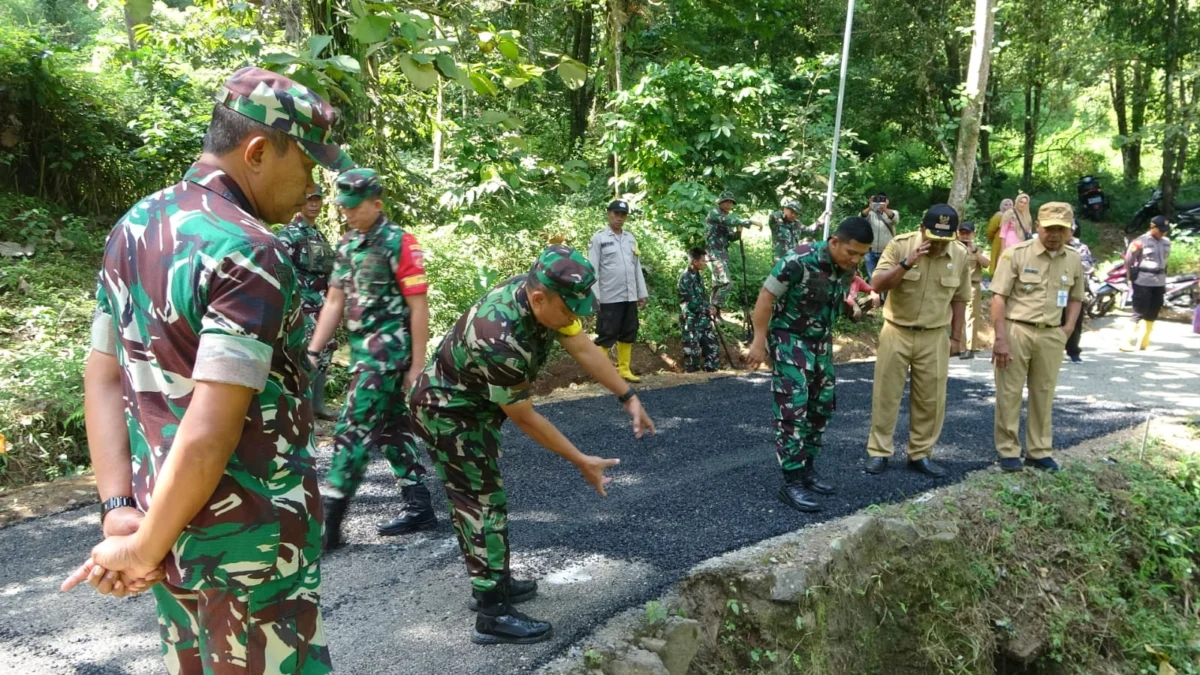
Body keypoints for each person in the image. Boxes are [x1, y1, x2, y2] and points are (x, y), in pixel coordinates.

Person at [63, 66, 350, 673]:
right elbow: (209, 430)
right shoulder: (250, 249)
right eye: (307, 164)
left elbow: (105, 375)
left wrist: (124, 513)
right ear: (257, 150)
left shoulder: (133, 229)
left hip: (167, 533)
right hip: (250, 550)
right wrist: (139, 545)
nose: (310, 186)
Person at [408, 245, 655, 645]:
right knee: (481, 503)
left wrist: (627, 395)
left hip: (474, 408)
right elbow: (526, 417)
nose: (575, 317)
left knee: (482, 500)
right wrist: (581, 460)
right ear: (539, 298)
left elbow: (582, 347)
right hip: (448, 414)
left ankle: (494, 581)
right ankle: (492, 613)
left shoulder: (539, 296)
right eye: (570, 309)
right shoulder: (500, 338)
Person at [306, 168, 435, 549]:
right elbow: (333, 301)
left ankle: (330, 523)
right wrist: (314, 350)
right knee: (392, 428)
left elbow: (418, 306)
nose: (348, 213)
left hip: (387, 356)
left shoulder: (400, 243)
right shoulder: (348, 245)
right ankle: (419, 505)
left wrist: (416, 364)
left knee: (352, 431)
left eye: (355, 207)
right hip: (364, 354)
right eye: (343, 207)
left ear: (376, 204)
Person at [746, 218, 873, 511]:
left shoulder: (847, 266)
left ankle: (807, 469)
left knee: (822, 404)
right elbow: (766, 297)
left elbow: (837, 297)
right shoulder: (798, 260)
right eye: (851, 252)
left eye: (861, 255)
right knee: (794, 404)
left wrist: (856, 306)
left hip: (820, 342)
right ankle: (790, 481)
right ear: (834, 243)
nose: (855, 259)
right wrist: (758, 341)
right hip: (790, 337)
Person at [864, 205, 971, 478]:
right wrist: (906, 263)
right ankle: (879, 451)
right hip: (896, 331)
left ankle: (920, 453)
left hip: (935, 335)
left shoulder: (959, 254)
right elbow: (877, 284)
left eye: (943, 240)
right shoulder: (899, 246)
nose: (936, 245)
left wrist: (957, 337)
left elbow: (960, 299)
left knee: (931, 399)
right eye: (933, 237)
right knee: (886, 395)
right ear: (922, 227)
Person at [991, 203, 1085, 472]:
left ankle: (1039, 450)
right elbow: (998, 297)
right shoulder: (1016, 254)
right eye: (1049, 228)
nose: (1054, 234)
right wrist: (1000, 338)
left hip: (1051, 334)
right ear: (1038, 227)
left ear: (1068, 231)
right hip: (1016, 329)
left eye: (1060, 229)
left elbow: (1077, 297)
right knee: (1009, 392)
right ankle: (1008, 450)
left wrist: (1066, 330)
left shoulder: (1073, 258)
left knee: (1043, 393)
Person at [278, 184, 339, 420]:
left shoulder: (318, 235)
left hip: (322, 307)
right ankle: (299, 410)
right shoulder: (289, 234)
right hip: (302, 307)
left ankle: (318, 406)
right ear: (299, 201)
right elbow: (282, 272)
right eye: (308, 199)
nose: (313, 204)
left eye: (317, 199)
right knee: (305, 356)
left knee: (324, 354)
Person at [588, 199, 649, 382]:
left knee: (629, 331)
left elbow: (636, 267)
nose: (619, 218)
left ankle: (624, 370)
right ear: (609, 214)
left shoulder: (630, 238)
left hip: (629, 295)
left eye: (623, 215)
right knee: (607, 333)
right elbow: (593, 269)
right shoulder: (599, 238)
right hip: (609, 296)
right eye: (616, 214)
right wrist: (595, 296)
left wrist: (641, 292)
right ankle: (600, 373)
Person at [1120, 215, 1172, 352]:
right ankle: (1126, 342)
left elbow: (1165, 262)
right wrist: (1130, 278)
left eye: (1165, 230)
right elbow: (1129, 261)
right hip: (1143, 280)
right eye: (1160, 229)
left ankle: (1143, 342)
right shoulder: (1140, 242)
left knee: (1153, 311)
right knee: (1138, 311)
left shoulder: (1166, 242)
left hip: (1159, 281)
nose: (1163, 232)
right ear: (1152, 227)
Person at [705, 192, 750, 317]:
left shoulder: (727, 217)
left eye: (731, 202)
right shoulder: (715, 213)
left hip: (722, 253)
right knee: (726, 283)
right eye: (726, 201)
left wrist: (739, 232)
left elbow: (730, 237)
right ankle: (713, 308)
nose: (729, 204)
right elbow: (728, 220)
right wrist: (745, 221)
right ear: (720, 202)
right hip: (714, 252)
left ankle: (714, 314)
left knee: (717, 284)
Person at [678, 247, 721, 372]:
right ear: (695, 261)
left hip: (703, 319)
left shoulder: (697, 276)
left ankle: (712, 374)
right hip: (691, 321)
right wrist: (708, 309)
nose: (705, 263)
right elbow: (692, 303)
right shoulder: (685, 278)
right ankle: (693, 381)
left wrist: (710, 307)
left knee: (712, 347)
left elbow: (701, 298)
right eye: (703, 260)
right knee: (692, 354)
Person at [956, 220, 990, 359]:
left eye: (967, 233)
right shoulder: (953, 247)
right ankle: (957, 346)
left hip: (972, 285)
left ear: (973, 234)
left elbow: (987, 264)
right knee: (955, 316)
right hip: (956, 285)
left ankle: (970, 348)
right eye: (962, 232)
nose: (965, 235)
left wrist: (974, 250)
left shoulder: (978, 248)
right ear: (957, 233)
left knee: (971, 317)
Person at [1063, 221, 1094, 363]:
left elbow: (1087, 266)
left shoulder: (1080, 247)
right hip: (1052, 289)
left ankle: (1073, 351)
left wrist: (1071, 262)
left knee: (1074, 321)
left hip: (1074, 288)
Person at [861, 192, 900, 283]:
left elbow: (895, 220)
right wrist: (870, 207)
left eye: (883, 200)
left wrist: (885, 209)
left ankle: (885, 297)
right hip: (870, 251)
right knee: (872, 278)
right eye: (877, 200)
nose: (880, 202)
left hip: (886, 251)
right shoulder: (870, 214)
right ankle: (875, 296)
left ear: (887, 201)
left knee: (886, 278)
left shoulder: (893, 212)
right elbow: (861, 217)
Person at [987, 198, 1014, 274]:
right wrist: (991, 238)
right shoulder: (998, 216)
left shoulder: (1015, 217)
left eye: (1010, 205)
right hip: (998, 241)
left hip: (1011, 242)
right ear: (1002, 206)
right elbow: (990, 230)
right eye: (1006, 205)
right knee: (997, 258)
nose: (1008, 206)